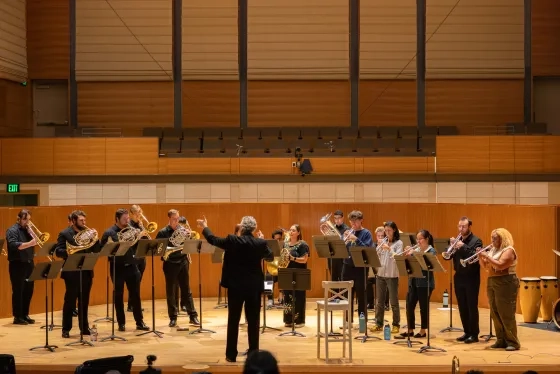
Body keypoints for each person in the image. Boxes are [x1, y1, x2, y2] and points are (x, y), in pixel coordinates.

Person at [197, 215, 272, 363]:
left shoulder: (232, 240)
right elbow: (270, 257)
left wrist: (205, 226)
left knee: (233, 320)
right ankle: (253, 353)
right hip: (253, 287)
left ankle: (231, 355)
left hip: (235, 286)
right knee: (253, 321)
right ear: (254, 229)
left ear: (242, 227)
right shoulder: (260, 243)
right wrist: (262, 239)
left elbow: (213, 239)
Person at [99, 208, 148, 331]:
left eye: (128, 218)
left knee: (136, 295)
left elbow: (139, 246)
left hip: (132, 266)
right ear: (117, 219)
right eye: (124, 219)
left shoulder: (132, 229)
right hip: (117, 267)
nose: (127, 221)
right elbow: (102, 249)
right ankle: (121, 323)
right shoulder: (109, 232)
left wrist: (142, 236)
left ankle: (139, 322)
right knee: (119, 295)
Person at [55, 210, 100, 338]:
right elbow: (58, 251)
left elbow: (97, 249)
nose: (84, 223)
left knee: (84, 301)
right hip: (71, 272)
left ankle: (84, 328)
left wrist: (96, 239)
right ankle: (66, 329)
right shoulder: (64, 234)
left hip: (86, 271)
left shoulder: (87, 233)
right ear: (74, 221)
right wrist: (70, 252)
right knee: (70, 301)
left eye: (85, 220)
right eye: (81, 220)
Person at [156, 209, 199, 328]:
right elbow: (158, 249)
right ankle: (173, 317)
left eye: (178, 219)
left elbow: (189, 245)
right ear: (169, 219)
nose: (177, 221)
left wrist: (189, 237)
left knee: (187, 290)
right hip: (170, 263)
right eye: (174, 219)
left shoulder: (183, 230)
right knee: (171, 291)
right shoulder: (163, 232)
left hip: (183, 261)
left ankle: (193, 315)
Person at [478, 228, 520, 351]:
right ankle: (501, 339)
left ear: (503, 238)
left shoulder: (509, 250)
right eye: (492, 237)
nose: (492, 240)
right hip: (492, 281)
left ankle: (513, 341)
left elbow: (501, 265)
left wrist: (487, 256)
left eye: (495, 238)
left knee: (506, 312)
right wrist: (481, 256)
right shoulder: (493, 250)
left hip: (506, 281)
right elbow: (484, 265)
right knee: (494, 311)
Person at [443, 216, 482, 344]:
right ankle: (466, 331)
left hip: (471, 277)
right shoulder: (457, 240)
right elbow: (448, 256)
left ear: (469, 227)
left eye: (463, 226)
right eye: (459, 226)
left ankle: (474, 334)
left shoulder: (477, 241)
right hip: (459, 276)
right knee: (462, 305)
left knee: (471, 305)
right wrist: (450, 248)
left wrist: (462, 246)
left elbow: (474, 255)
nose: (461, 229)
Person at [396, 229, 436, 339]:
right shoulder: (417, 249)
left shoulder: (431, 250)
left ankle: (423, 330)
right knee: (409, 305)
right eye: (417, 239)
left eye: (420, 239)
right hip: (413, 281)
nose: (418, 241)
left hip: (425, 283)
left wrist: (414, 253)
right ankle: (410, 329)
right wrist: (406, 256)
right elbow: (410, 264)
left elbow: (425, 264)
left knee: (423, 307)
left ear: (426, 239)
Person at [341, 210, 373, 323]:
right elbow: (340, 249)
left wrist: (356, 240)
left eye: (355, 221)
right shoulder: (347, 232)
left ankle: (362, 323)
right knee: (346, 294)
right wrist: (342, 242)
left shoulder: (366, 233)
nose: (353, 224)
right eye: (351, 222)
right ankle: (347, 321)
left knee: (361, 295)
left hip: (361, 267)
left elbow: (368, 249)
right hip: (347, 266)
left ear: (361, 220)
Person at [5, 209, 37, 325]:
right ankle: (17, 316)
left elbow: (36, 241)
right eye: (25, 219)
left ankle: (25, 314)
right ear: (18, 219)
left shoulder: (28, 230)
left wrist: (33, 235)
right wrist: (30, 243)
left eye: (28, 219)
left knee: (29, 289)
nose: (27, 222)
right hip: (17, 264)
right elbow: (14, 245)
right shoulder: (12, 230)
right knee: (19, 290)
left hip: (29, 262)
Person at [371, 221, 402, 334]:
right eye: (386, 231)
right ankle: (379, 323)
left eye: (389, 230)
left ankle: (396, 324)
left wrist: (389, 249)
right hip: (380, 274)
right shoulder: (383, 242)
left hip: (392, 275)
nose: (387, 233)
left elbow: (397, 257)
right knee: (379, 301)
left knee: (393, 301)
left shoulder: (398, 243)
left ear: (394, 230)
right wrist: (378, 248)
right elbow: (376, 256)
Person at [282, 224, 310, 328]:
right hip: (287, 272)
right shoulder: (285, 244)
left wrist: (292, 258)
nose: (291, 232)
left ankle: (299, 321)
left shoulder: (303, 244)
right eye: (290, 230)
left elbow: (305, 260)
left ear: (298, 232)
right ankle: (288, 320)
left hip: (299, 273)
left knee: (299, 296)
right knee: (287, 295)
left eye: (293, 230)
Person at [127, 204, 148, 313]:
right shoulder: (128, 225)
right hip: (133, 255)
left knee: (138, 282)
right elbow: (130, 240)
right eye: (137, 213)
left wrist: (143, 228)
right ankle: (133, 305)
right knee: (134, 282)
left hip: (141, 255)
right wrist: (140, 234)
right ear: (131, 214)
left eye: (140, 213)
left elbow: (146, 238)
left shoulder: (140, 224)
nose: (139, 215)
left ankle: (133, 304)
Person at [265, 229, 283, 306]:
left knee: (286, 277)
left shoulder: (285, 246)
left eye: (279, 239)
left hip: (281, 268)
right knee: (267, 278)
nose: (278, 241)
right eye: (276, 239)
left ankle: (281, 296)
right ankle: (270, 299)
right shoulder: (269, 247)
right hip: (271, 268)